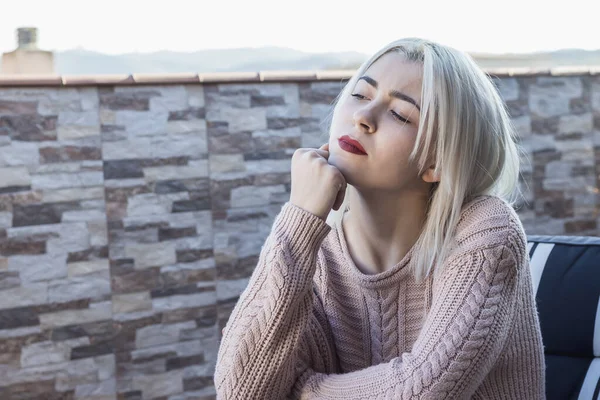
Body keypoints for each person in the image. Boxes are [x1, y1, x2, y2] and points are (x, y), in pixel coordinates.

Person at [213, 38, 546, 399]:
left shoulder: (484, 232)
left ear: (436, 162)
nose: (363, 117)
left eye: (400, 114)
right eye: (359, 94)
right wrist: (299, 218)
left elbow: (422, 390)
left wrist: (301, 392)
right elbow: (240, 391)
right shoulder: (312, 248)